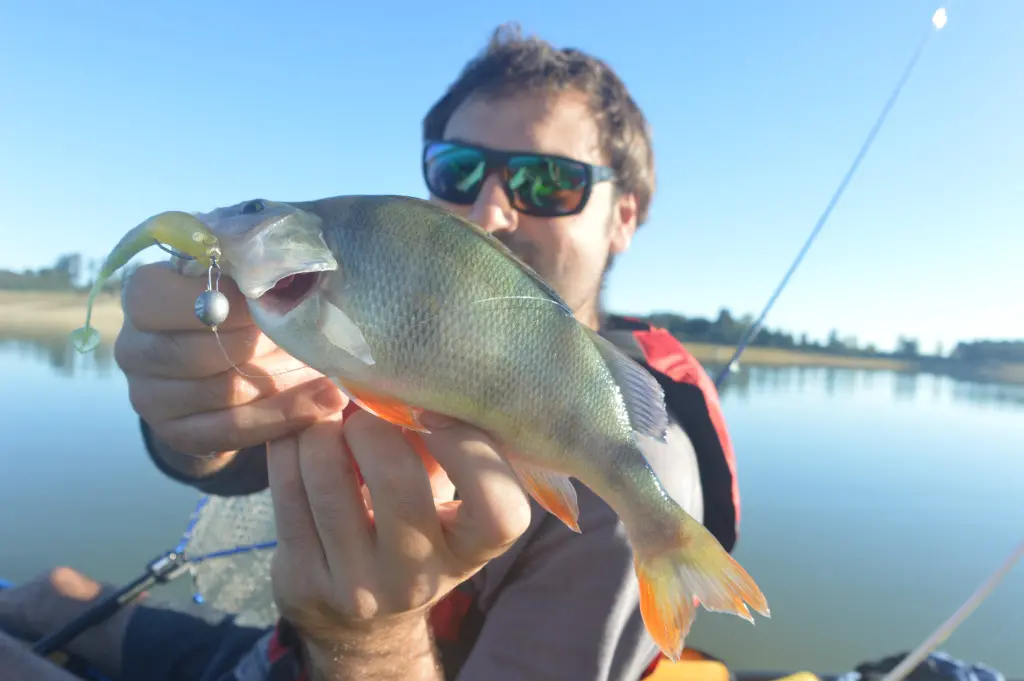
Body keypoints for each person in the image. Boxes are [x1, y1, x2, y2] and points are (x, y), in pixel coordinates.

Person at [0, 23, 743, 681]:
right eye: (458, 168)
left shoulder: (638, 487)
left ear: (625, 217)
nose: (489, 209)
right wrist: (188, 417)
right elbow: (234, 452)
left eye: (548, 181)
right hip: (275, 654)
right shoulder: (375, 334)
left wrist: (367, 638)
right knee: (45, 594)